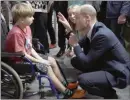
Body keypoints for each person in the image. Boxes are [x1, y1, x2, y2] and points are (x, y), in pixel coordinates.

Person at [4, 3, 86, 99]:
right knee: (46, 67)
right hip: (18, 61)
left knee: (52, 60)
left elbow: (29, 48)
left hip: (26, 56)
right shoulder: (16, 33)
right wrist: (41, 61)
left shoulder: (26, 28)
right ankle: (66, 92)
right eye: (30, 16)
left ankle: (65, 84)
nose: (33, 18)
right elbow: (23, 54)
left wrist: (40, 58)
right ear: (21, 19)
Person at [58, 4, 130, 99]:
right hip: (107, 64)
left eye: (78, 18)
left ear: (87, 18)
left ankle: (110, 94)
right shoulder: (95, 28)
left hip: (118, 72)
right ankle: (97, 80)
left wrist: (75, 45)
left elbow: (85, 61)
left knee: (83, 79)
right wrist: (69, 29)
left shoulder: (101, 35)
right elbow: (78, 42)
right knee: (75, 61)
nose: (75, 21)